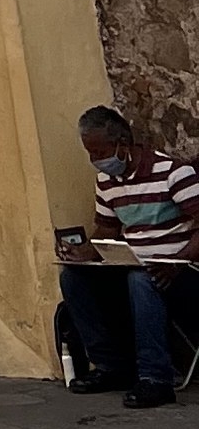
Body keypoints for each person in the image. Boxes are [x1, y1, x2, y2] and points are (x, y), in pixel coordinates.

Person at [59, 103, 198, 406]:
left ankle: (155, 379)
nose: (96, 160)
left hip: (184, 275)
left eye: (100, 152)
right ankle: (111, 366)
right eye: (90, 154)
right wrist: (83, 253)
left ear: (123, 143)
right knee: (74, 278)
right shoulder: (107, 183)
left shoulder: (173, 173)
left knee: (141, 278)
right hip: (139, 272)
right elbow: (107, 231)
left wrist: (177, 262)